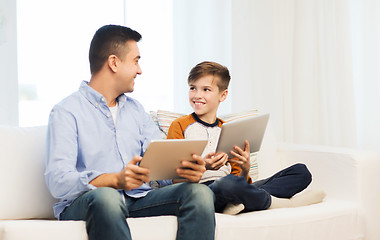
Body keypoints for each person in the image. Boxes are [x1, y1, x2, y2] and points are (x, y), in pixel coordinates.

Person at [44, 25, 215, 240]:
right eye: (136, 61)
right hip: (88, 203)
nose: (140, 70)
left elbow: (160, 164)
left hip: (139, 199)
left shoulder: (136, 110)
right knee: (107, 197)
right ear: (114, 63)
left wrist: (182, 173)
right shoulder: (66, 111)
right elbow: (59, 181)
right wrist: (115, 180)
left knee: (198, 193)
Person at [167, 61, 325, 215]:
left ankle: (239, 203)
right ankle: (281, 203)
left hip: (234, 187)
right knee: (228, 184)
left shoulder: (229, 129)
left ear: (223, 95)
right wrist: (204, 166)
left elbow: (239, 180)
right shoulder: (180, 125)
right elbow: (174, 178)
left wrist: (245, 168)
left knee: (301, 172)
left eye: (206, 89)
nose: (197, 95)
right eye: (192, 88)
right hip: (204, 191)